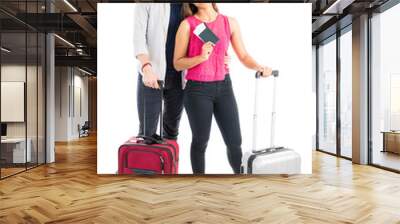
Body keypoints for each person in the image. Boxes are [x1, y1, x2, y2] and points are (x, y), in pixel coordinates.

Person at [173, 3, 273, 174]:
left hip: (224, 87)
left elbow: (243, 56)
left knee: (235, 141)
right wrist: (200, 57)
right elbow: (177, 63)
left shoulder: (229, 23)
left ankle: (240, 180)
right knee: (201, 141)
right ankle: (199, 185)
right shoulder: (187, 25)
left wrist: (259, 67)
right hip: (197, 90)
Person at [133, 3, 185, 140]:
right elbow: (139, 38)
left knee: (172, 131)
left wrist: (221, 52)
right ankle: (145, 160)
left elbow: (202, 27)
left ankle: (168, 161)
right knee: (147, 132)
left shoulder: (190, 5)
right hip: (151, 74)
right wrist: (146, 67)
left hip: (179, 77)